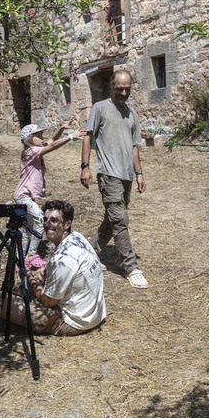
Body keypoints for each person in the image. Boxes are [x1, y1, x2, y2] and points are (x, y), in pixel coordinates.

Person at [0, 200, 105, 336]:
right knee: (25, 286)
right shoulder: (76, 237)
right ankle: (19, 296)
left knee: (1, 307)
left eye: (54, 220)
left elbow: (48, 301)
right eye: (45, 219)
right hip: (92, 313)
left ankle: (20, 304)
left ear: (67, 224)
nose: (47, 224)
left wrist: (28, 276)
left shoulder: (64, 260)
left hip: (74, 321)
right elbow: (49, 271)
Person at [81, 70, 149, 288]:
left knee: (112, 218)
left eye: (127, 89)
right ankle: (130, 267)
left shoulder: (131, 114)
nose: (123, 92)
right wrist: (85, 167)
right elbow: (88, 136)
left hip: (127, 175)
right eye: (119, 88)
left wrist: (139, 174)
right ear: (112, 86)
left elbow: (135, 147)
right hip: (108, 174)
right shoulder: (100, 108)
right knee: (120, 219)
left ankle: (89, 252)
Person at [14, 120, 83, 262]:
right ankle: (31, 255)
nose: (42, 138)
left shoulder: (34, 150)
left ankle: (19, 258)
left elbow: (51, 141)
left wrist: (61, 129)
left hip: (24, 197)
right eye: (38, 136)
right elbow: (52, 146)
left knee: (27, 229)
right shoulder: (31, 151)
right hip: (23, 197)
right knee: (40, 220)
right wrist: (70, 136)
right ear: (29, 139)